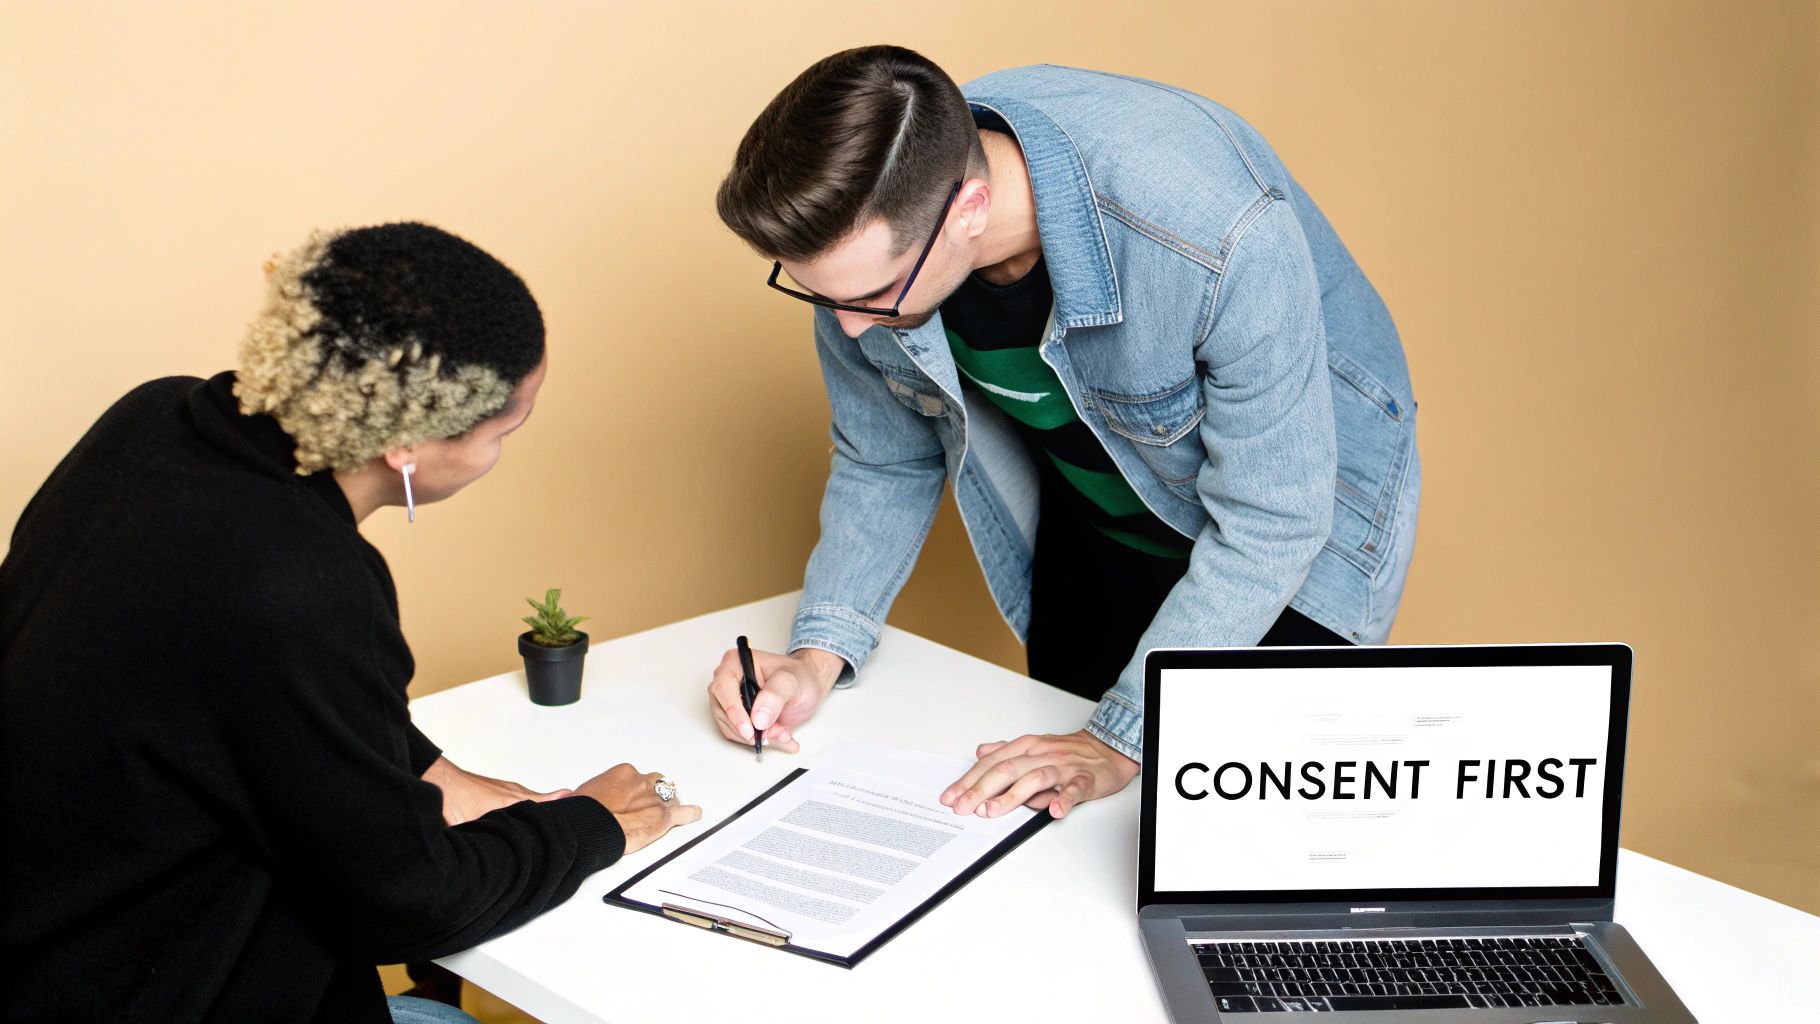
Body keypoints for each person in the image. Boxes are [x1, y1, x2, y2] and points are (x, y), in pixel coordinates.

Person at [0, 223, 701, 1022]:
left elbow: (245, 693)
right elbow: (409, 904)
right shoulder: (303, 578)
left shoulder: (154, 421)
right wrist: (591, 825)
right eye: (504, 432)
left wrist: (434, 774)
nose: (499, 455)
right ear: (407, 444)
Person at [705, 47, 1419, 821]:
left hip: (1294, 539)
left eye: (872, 294)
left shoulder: (1212, 232)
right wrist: (817, 656)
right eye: (817, 293)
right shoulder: (878, 217)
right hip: (1093, 523)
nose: (848, 326)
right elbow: (884, 457)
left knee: (1231, 846)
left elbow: (1275, 519)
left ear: (970, 210)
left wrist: (1120, 738)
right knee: (1059, 828)